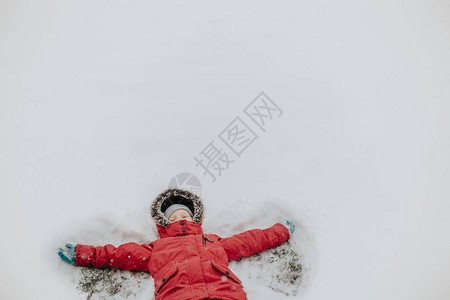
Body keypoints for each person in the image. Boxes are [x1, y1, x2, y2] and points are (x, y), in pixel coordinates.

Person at [58, 188, 295, 300]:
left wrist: (280, 231)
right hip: (178, 296)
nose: (180, 219)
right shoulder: (156, 250)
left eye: (184, 215)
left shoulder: (212, 241)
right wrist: (83, 254)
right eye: (173, 217)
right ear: (164, 223)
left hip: (224, 294)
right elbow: (118, 255)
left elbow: (250, 241)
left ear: (194, 218)